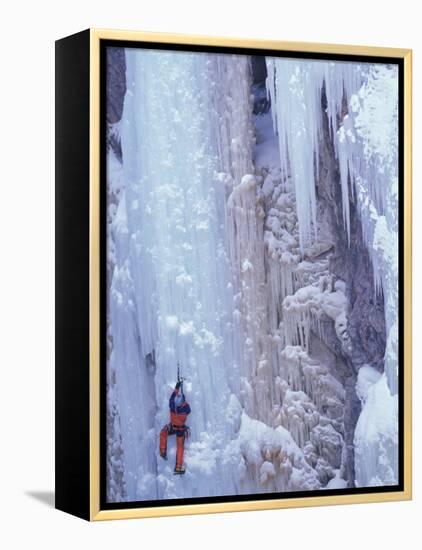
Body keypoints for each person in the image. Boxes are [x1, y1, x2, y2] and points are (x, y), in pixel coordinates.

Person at [159, 381, 191, 474]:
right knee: (180, 447)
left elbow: (172, 399)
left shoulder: (173, 406)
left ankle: (162, 451)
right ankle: (178, 467)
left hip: (173, 427)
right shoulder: (186, 409)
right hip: (181, 429)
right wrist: (183, 399)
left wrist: (177, 388)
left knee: (163, 433)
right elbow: (188, 409)